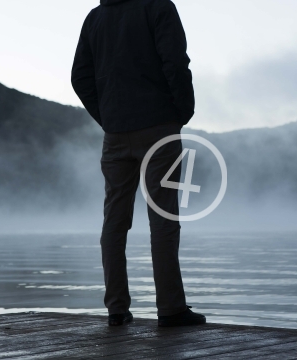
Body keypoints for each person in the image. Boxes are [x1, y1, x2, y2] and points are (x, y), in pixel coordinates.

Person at [71, 0, 206, 327]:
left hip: (116, 133)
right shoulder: (158, 7)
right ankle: (171, 309)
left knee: (114, 220)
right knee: (163, 218)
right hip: (159, 126)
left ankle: (116, 309)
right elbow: (175, 61)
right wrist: (181, 112)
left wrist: (107, 117)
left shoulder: (95, 18)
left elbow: (80, 77)